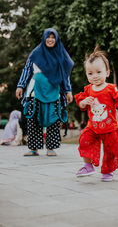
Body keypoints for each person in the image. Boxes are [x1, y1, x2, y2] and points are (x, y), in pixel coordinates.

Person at [16, 28, 74, 156]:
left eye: (53, 37)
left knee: (53, 118)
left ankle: (51, 148)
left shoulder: (60, 54)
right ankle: (33, 149)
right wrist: (20, 86)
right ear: (44, 38)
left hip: (54, 90)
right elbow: (26, 69)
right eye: (48, 37)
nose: (50, 39)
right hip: (35, 90)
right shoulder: (36, 52)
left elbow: (65, 75)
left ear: (56, 39)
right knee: (33, 117)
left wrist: (68, 91)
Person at [75, 47, 118, 182]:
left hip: (110, 128)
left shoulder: (111, 88)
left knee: (111, 151)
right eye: (90, 73)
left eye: (99, 72)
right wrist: (84, 102)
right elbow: (80, 103)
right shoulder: (88, 90)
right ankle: (88, 166)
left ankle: (107, 171)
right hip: (93, 126)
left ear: (107, 72)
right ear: (87, 75)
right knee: (84, 140)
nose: (95, 76)